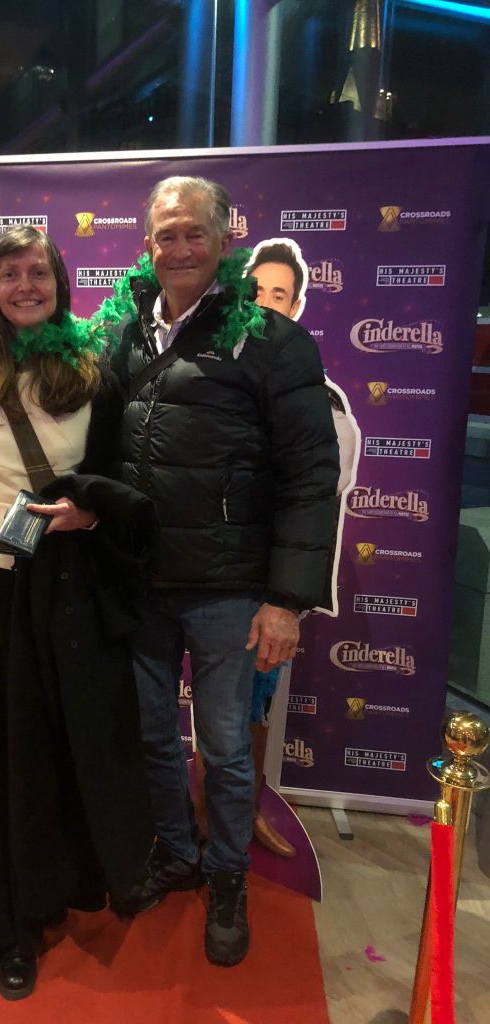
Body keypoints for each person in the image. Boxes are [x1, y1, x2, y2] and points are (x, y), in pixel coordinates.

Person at [0, 226, 155, 1000]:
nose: (24, 286)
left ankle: (49, 898)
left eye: (36, 273)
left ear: (58, 282)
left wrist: (92, 517)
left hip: (64, 592)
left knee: (50, 757)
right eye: (9, 274)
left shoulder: (95, 373)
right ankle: (2, 926)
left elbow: (111, 482)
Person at [109, 177, 340, 967]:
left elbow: (312, 477)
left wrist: (286, 601)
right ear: (146, 244)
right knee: (149, 738)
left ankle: (226, 875)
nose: (177, 248)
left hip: (227, 589)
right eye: (164, 234)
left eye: (192, 233)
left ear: (224, 239)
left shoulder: (272, 341)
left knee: (226, 751)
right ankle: (174, 852)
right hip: (138, 584)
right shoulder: (125, 332)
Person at [244, 240, 359, 859]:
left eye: (278, 295)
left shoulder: (321, 396)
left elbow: (320, 488)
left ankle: (240, 815)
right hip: (204, 574)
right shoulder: (218, 369)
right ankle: (204, 814)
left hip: (271, 579)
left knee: (254, 705)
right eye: (255, 291)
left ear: (298, 305)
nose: (263, 304)